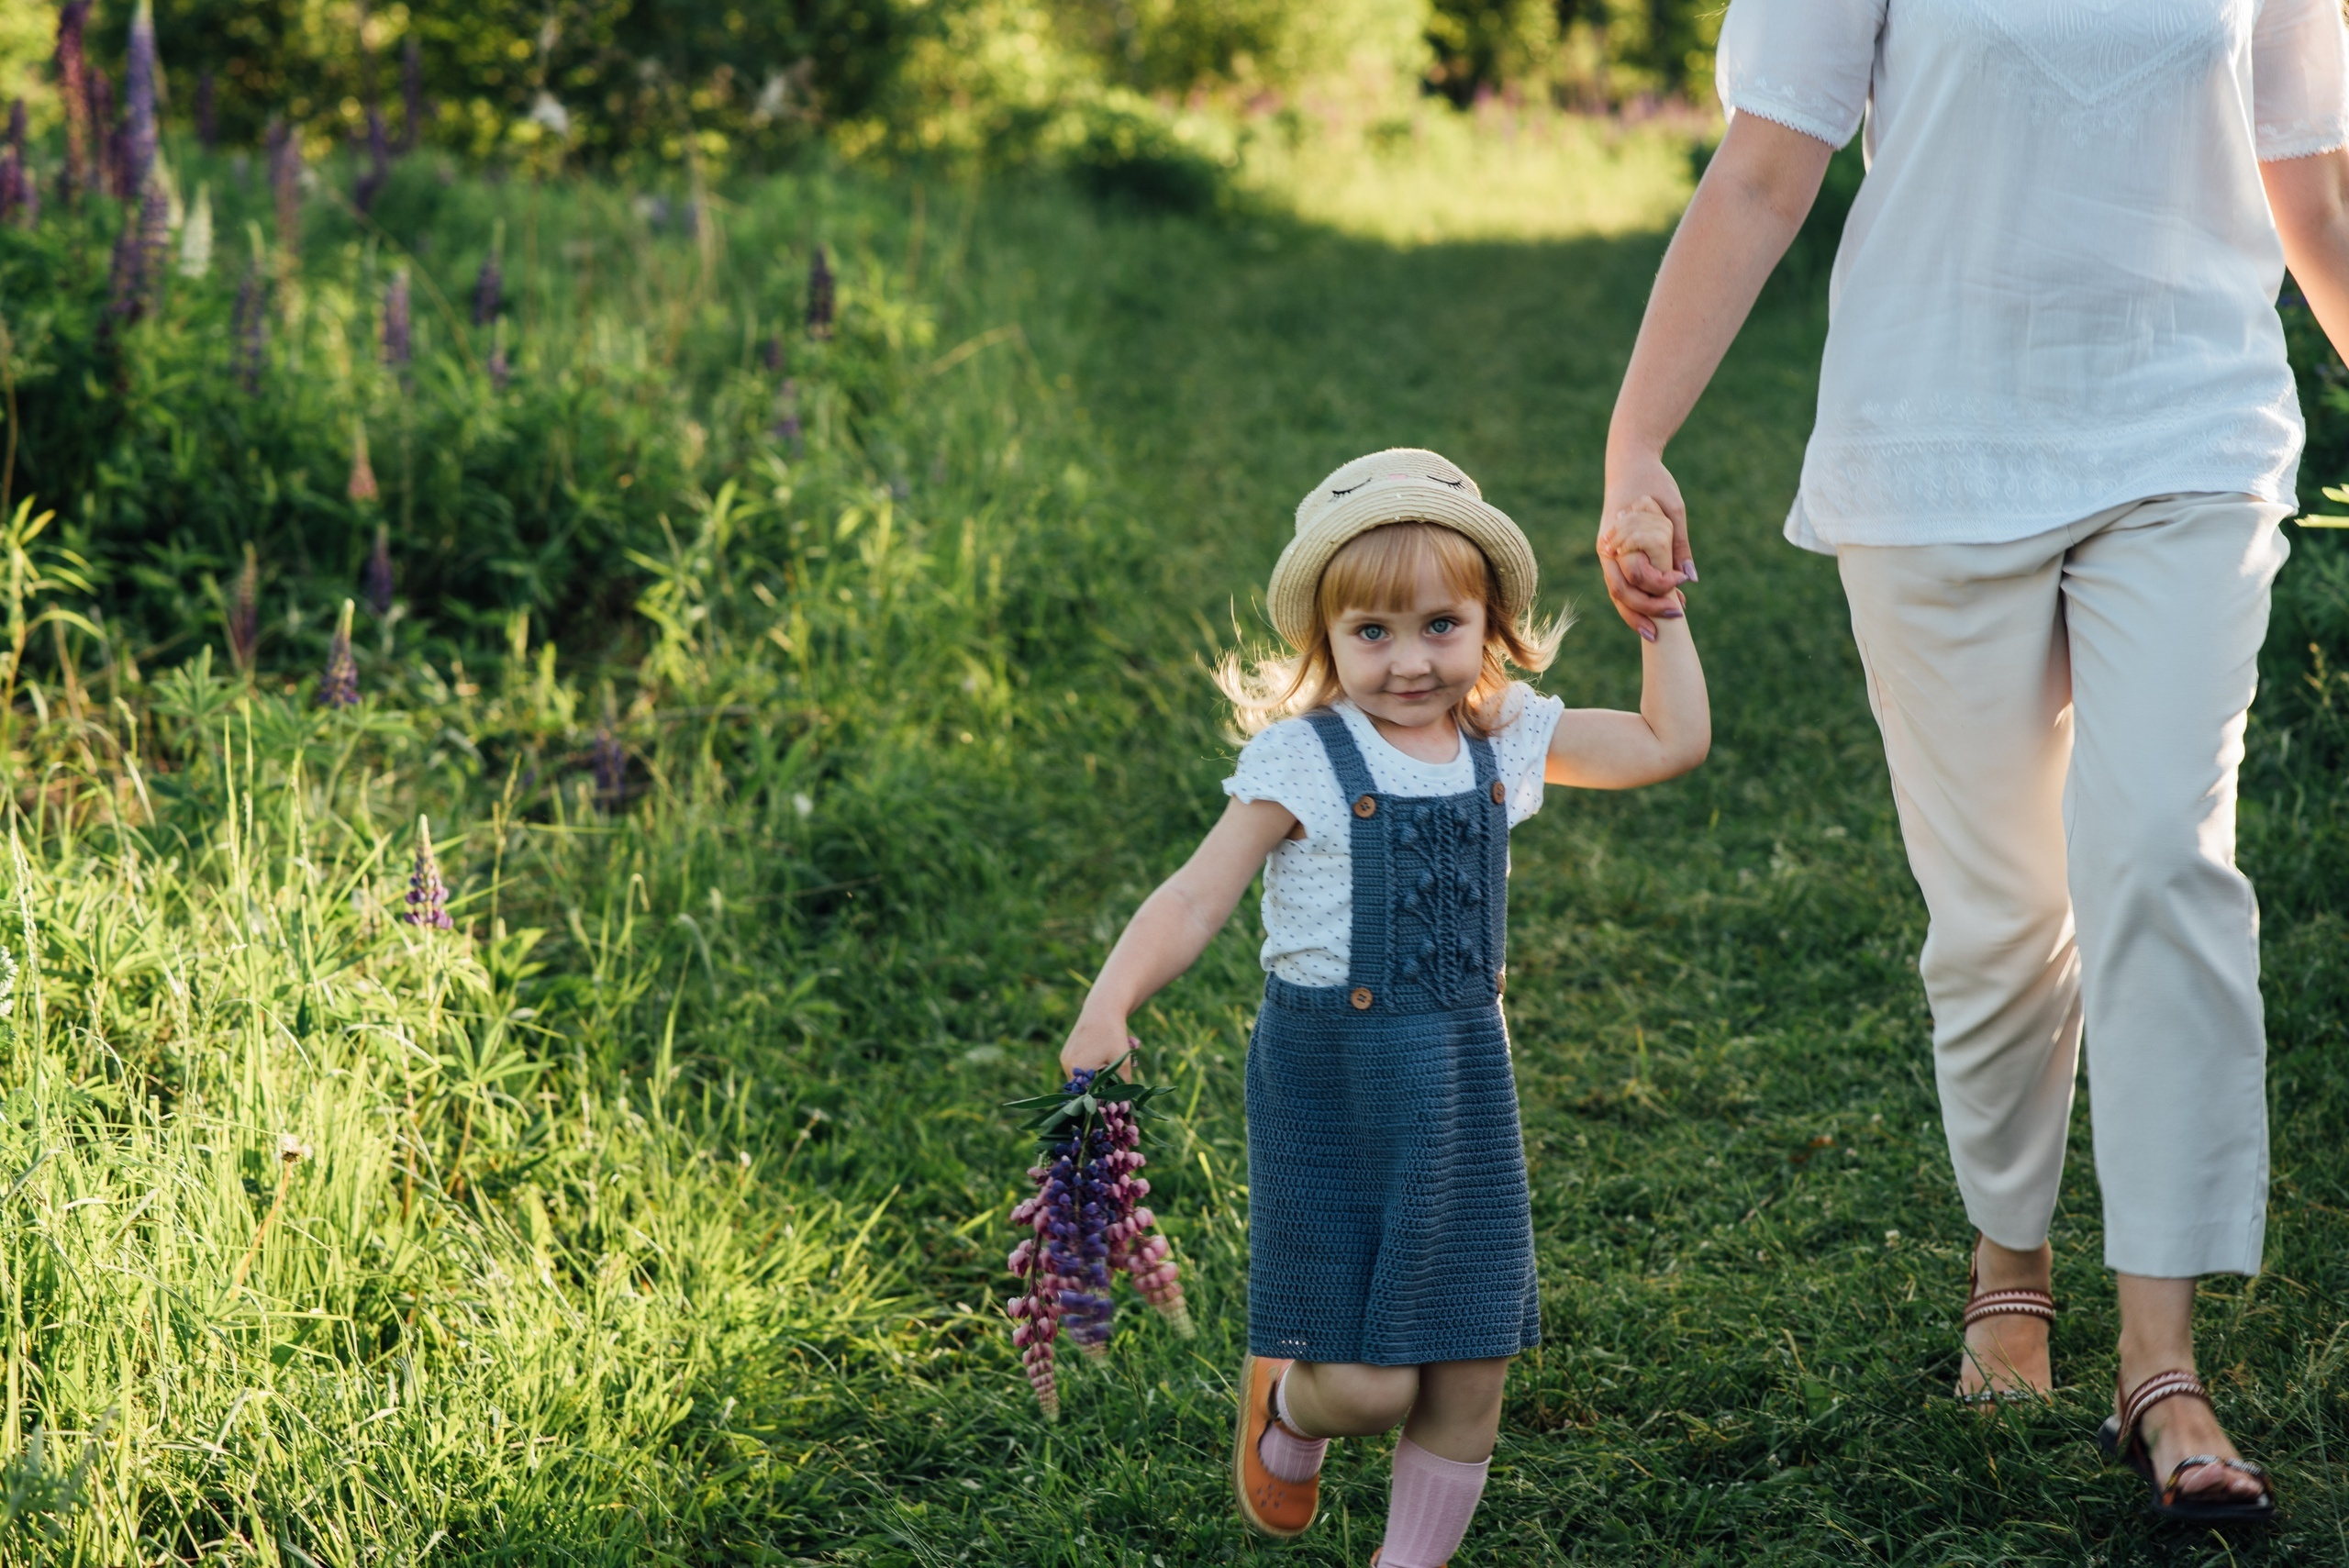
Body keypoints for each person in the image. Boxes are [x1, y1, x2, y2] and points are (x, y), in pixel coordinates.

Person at [1596, 0, 2349, 1526]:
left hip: (2190, 428)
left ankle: (2164, 1358)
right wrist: (1634, 443)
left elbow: (2310, 179)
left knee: (2158, 855)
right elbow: (1761, 171)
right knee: (2000, 909)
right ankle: (2010, 1260)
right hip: (1933, 440)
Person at [1058, 448, 1709, 1565]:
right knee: (1364, 1385)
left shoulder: (1503, 735)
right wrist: (1109, 1000)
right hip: (1332, 1085)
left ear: (1490, 625)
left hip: (1459, 1080)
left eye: (1440, 626)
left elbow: (1668, 742)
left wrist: (1659, 615)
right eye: (1372, 633)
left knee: (1467, 1369)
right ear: (1325, 637)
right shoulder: (1304, 759)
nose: (1409, 661)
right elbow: (1193, 894)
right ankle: (1291, 1405)